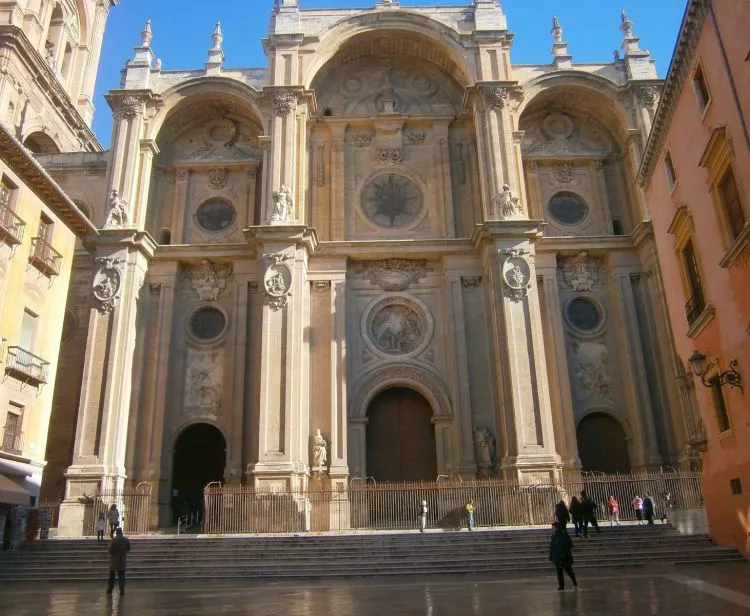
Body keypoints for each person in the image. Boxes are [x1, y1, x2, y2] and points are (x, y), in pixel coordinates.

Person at [549, 522, 578, 591]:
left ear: (557, 528)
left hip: (565, 556)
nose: (552, 529)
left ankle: (573, 580)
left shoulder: (564, 535)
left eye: (553, 527)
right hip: (557, 556)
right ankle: (561, 586)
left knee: (568, 570)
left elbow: (570, 545)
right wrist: (551, 556)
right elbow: (552, 547)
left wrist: (564, 551)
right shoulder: (553, 536)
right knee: (559, 571)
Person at [106, 527, 131, 596]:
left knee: (112, 576)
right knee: (122, 576)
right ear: (121, 532)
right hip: (122, 560)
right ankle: (122, 589)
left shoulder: (113, 540)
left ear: (116, 532)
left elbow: (110, 550)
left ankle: (110, 589)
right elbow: (129, 548)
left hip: (114, 560)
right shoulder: (126, 540)